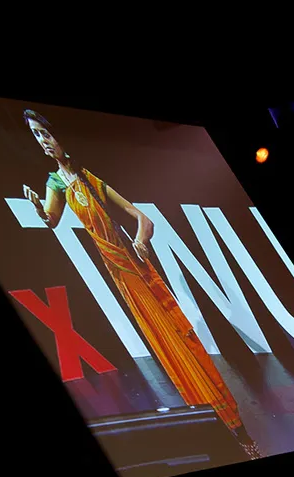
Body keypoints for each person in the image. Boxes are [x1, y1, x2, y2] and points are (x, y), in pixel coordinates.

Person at [21, 109, 262, 459]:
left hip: (135, 267)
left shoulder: (89, 178)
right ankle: (215, 423)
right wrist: (39, 209)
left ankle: (236, 426)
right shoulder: (54, 183)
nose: (43, 143)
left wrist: (140, 241)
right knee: (167, 348)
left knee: (182, 341)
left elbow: (142, 219)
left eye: (45, 134)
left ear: (60, 136)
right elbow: (52, 220)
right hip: (118, 273)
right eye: (36, 137)